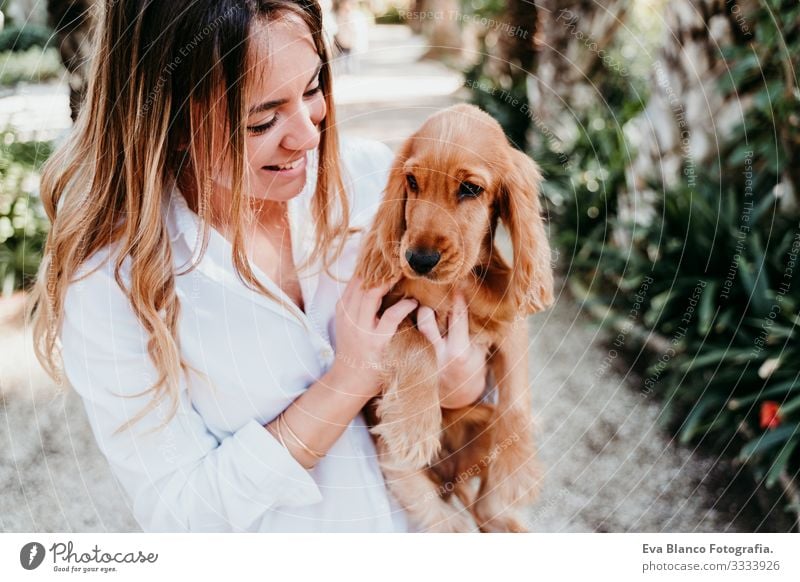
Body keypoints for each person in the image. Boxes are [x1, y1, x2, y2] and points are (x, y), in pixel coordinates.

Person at [28, 0, 489, 532]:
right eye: (262, 120)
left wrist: (462, 385)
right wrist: (347, 383)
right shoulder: (112, 280)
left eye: (314, 89)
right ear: (169, 120)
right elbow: (182, 511)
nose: (308, 136)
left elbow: (478, 367)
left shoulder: (373, 181)